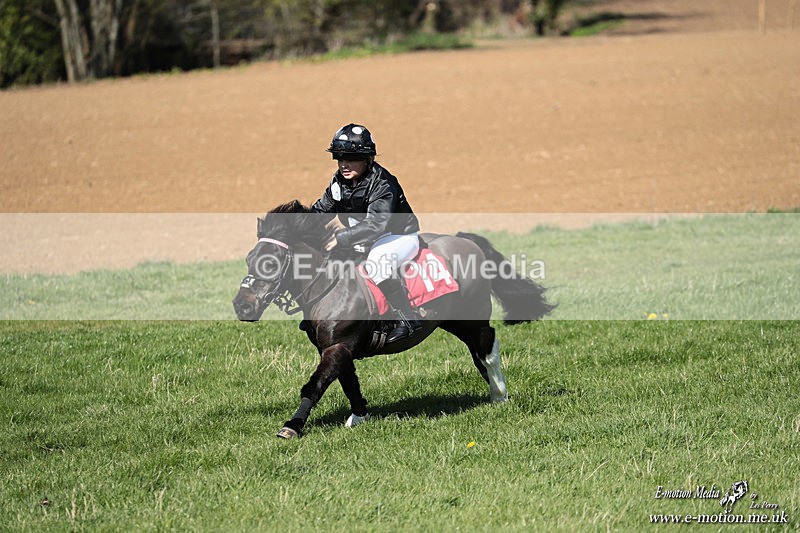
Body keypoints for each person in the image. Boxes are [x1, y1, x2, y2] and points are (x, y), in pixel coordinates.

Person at [311, 123, 421, 343]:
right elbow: (321, 211)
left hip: (398, 237)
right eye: (339, 158)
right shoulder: (339, 182)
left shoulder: (383, 183)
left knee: (377, 263)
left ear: (368, 158)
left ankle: (409, 319)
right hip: (365, 238)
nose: (343, 164)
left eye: (350, 158)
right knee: (329, 260)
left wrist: (340, 238)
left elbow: (376, 225)